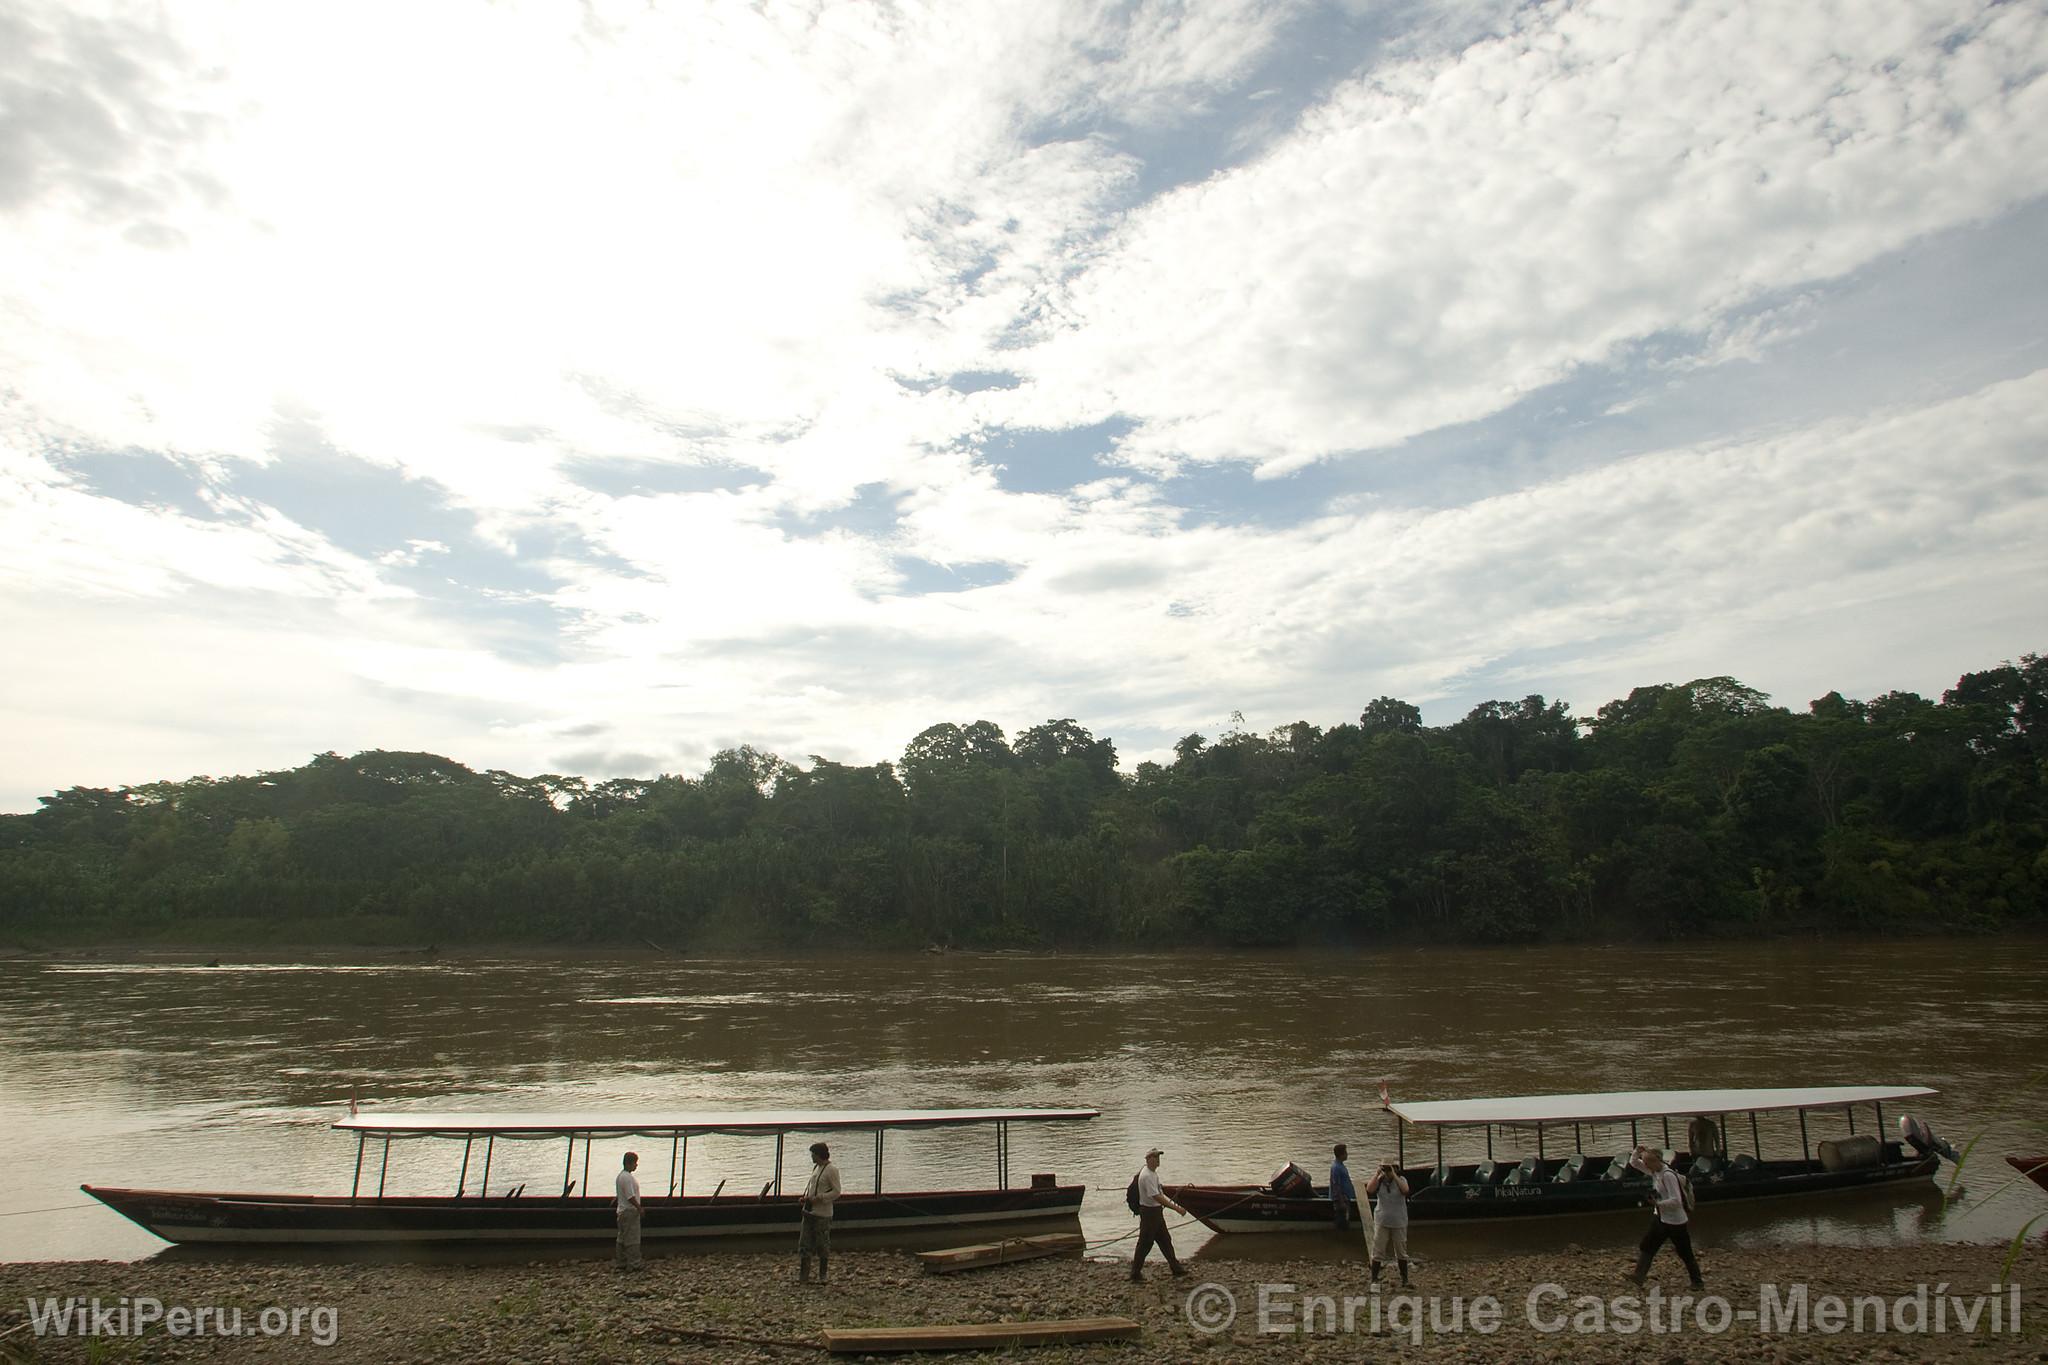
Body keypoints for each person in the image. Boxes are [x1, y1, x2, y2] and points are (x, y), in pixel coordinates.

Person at [1624, 1144, 1704, 1290]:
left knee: (1684, 1251)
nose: (1646, 1166)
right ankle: (1638, 1276)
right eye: (1645, 1162)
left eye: (1648, 1162)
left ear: (1657, 1161)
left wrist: (1658, 1203)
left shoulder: (1668, 1176)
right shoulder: (1655, 1171)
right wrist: (1637, 1151)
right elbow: (1634, 1163)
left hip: (1675, 1221)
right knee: (1647, 1245)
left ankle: (1697, 1281)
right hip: (1661, 1218)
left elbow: (1676, 1201)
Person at [1130, 1147, 1190, 1281]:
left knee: (1165, 1241)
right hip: (1149, 1213)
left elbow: (1158, 1192)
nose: (1158, 1160)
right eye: (1155, 1157)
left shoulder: (1152, 1173)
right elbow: (1157, 1196)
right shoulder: (1146, 1176)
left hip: (1155, 1212)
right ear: (1148, 1159)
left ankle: (1176, 1269)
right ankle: (1135, 1273)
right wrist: (1176, 1208)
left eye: (1158, 1157)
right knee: (1145, 1244)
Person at [798, 1141, 841, 1284]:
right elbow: (813, 1188)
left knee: (822, 1244)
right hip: (809, 1211)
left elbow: (836, 1192)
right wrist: (806, 1199)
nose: (811, 1157)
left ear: (819, 1154)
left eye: (813, 1154)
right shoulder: (816, 1168)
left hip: (823, 1214)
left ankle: (823, 1275)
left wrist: (820, 1198)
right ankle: (803, 1276)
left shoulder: (832, 1170)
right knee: (804, 1243)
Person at [1365, 1157, 1411, 1286]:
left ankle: (1404, 1279)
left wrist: (1394, 1175)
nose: (1387, 1171)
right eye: (1385, 1168)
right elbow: (1369, 1189)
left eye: (1389, 1168)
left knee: (1401, 1251)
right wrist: (1377, 1173)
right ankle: (1374, 1278)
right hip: (1382, 1220)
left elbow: (1405, 1190)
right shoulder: (1379, 1181)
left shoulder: (1401, 1180)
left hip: (1399, 1221)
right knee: (1378, 1250)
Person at [614, 1151, 643, 1272]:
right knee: (632, 1238)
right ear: (630, 1163)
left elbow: (623, 1193)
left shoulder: (621, 1176)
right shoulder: (627, 1178)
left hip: (621, 1211)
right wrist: (639, 1208)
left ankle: (621, 1262)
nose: (636, 1165)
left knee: (622, 1237)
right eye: (635, 1163)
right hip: (629, 1211)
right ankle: (634, 1263)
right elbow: (630, 1196)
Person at [1329, 1143, 1358, 1231]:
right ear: (1341, 1154)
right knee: (1342, 1221)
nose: (1347, 1154)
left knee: (1345, 1220)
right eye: (1345, 1152)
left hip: (1346, 1198)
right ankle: (1340, 1235)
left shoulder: (1340, 1165)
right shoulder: (1336, 1167)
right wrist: (1341, 1202)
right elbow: (1336, 1185)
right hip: (1341, 1200)